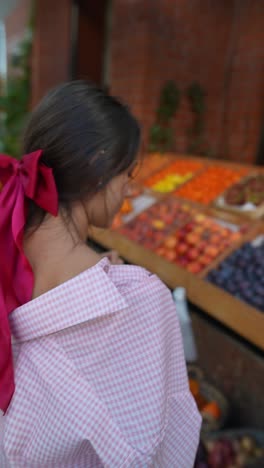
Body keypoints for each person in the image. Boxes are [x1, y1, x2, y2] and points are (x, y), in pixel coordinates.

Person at [0, 81, 201, 467]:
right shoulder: (140, 297)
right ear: (99, 166)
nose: (131, 187)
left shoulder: (5, 255)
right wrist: (119, 284)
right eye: (128, 172)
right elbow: (166, 441)